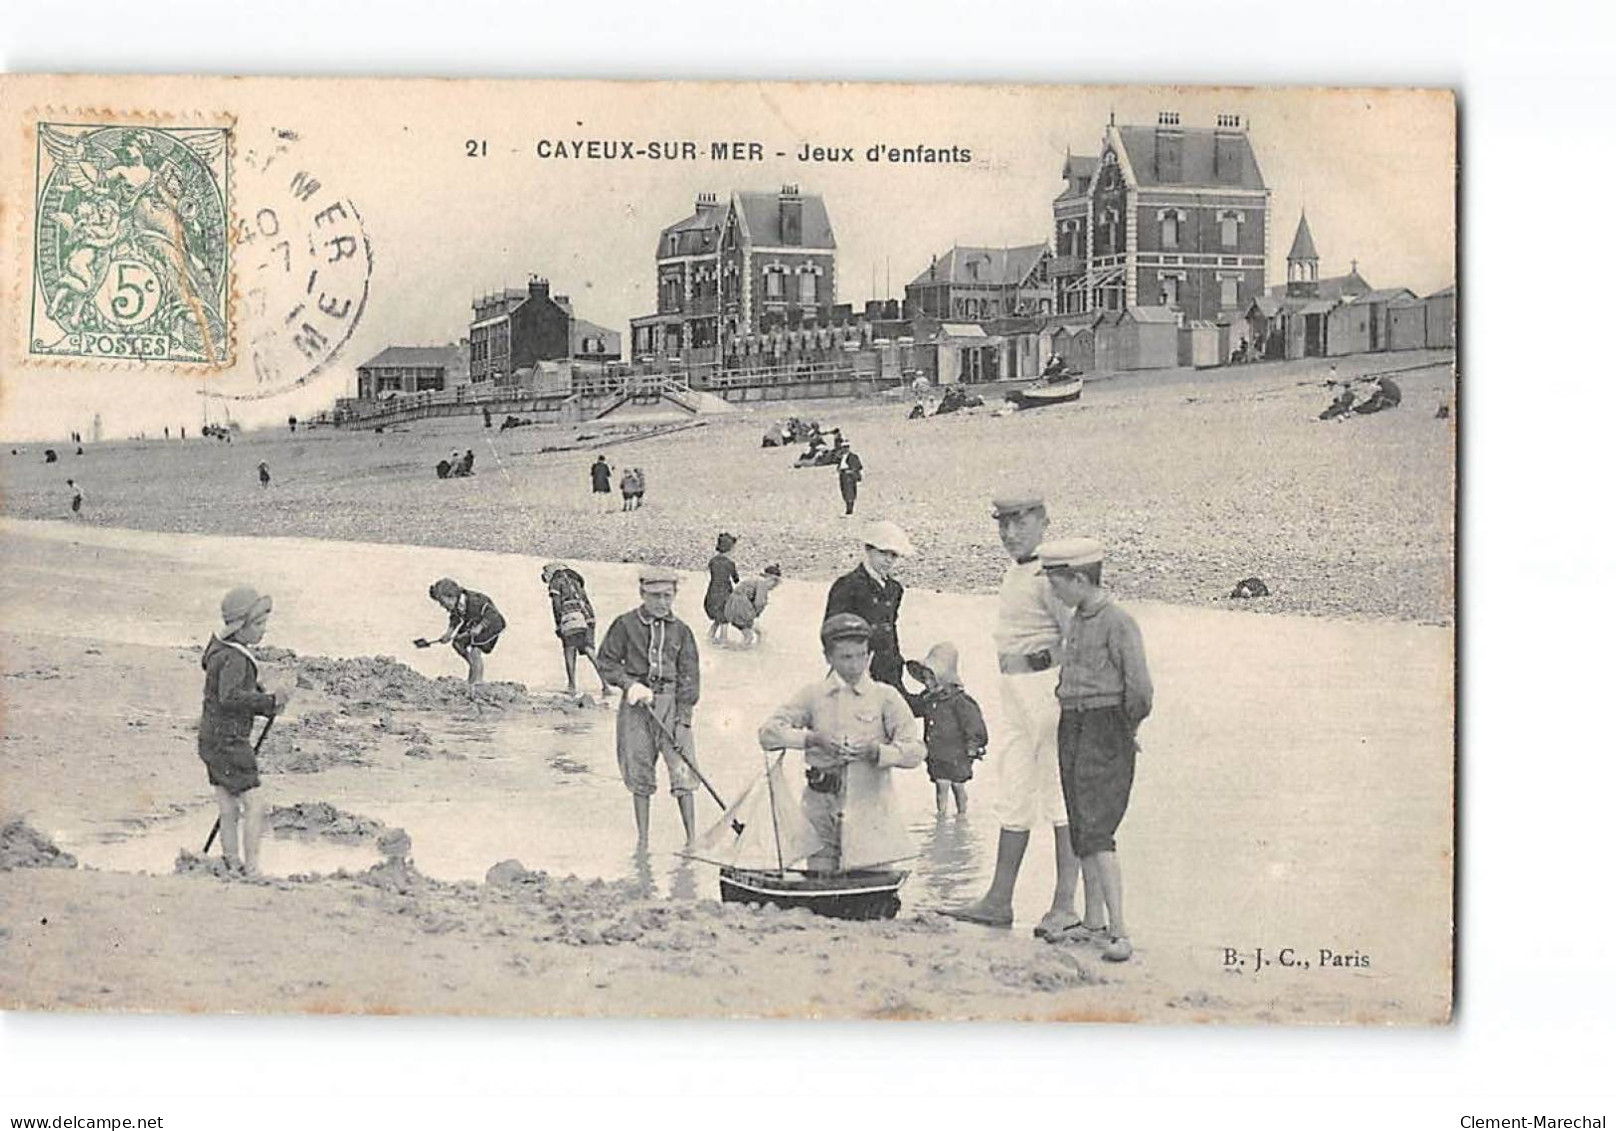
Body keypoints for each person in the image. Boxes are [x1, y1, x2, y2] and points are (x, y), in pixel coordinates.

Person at [942, 491, 1083, 938]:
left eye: (1020, 522)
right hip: (1016, 693)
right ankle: (999, 899)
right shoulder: (1016, 572)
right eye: (1002, 523)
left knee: (1061, 797)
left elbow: (1076, 639)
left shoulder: (1051, 575)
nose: (1009, 532)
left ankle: (1065, 905)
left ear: (1044, 521)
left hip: (1049, 689)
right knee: (1015, 791)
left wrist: (1071, 700)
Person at [1039, 538, 1153, 962]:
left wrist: (1124, 731)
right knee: (1080, 822)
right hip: (1074, 723)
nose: (1054, 593)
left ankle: (1119, 930)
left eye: (1058, 584)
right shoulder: (1080, 619)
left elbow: (1140, 691)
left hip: (1105, 726)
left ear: (1080, 579)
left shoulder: (1118, 622)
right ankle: (1091, 922)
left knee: (1099, 826)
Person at [758, 614, 924, 873]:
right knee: (819, 888)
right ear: (828, 657)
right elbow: (767, 735)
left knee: (872, 889)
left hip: (870, 810)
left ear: (870, 655)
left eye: (862, 655)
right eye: (846, 657)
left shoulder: (886, 697)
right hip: (819, 806)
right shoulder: (812, 695)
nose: (855, 665)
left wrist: (878, 753)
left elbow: (916, 752)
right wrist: (811, 739)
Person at [597, 566, 703, 851]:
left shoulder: (683, 631)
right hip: (636, 706)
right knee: (639, 770)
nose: (661, 602)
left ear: (675, 595)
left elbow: (690, 677)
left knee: (683, 770)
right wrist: (628, 684)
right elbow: (606, 662)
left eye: (667, 596)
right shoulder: (624, 624)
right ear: (642, 593)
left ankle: (692, 840)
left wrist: (683, 719)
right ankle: (643, 841)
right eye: (654, 596)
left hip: (671, 705)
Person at [198, 585, 289, 877]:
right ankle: (251, 867)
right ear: (240, 626)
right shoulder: (237, 658)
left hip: (211, 739)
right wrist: (270, 702)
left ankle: (231, 861)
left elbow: (226, 689)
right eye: (259, 624)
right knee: (254, 804)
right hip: (230, 742)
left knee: (227, 807)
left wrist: (260, 694)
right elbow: (231, 696)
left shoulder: (220, 650)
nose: (264, 630)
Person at [824, 520, 915, 698]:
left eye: (894, 555)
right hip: (855, 667)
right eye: (883, 553)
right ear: (868, 550)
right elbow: (831, 631)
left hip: (887, 667)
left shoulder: (894, 589)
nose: (888, 560)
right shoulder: (848, 585)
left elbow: (890, 627)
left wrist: (896, 662)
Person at [906, 642, 988, 816]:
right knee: (941, 784)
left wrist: (973, 745)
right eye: (925, 678)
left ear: (944, 677)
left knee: (958, 784)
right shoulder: (928, 699)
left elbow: (973, 725)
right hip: (936, 752)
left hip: (957, 753)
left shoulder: (960, 701)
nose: (927, 682)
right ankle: (941, 814)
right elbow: (912, 709)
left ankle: (961, 814)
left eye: (931, 677)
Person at [541, 562, 611, 704]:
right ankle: (606, 684)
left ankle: (572, 686)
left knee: (569, 649)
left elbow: (556, 604)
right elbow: (585, 600)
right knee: (590, 650)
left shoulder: (556, 581)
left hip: (570, 617)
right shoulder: (576, 580)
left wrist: (559, 624)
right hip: (588, 617)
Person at [426, 578, 505, 686]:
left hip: (491, 624)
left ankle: (477, 682)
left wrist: (480, 627)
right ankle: (473, 666)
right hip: (473, 622)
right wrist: (448, 633)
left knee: (475, 651)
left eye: (443, 602)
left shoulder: (474, 601)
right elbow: (455, 618)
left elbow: (492, 614)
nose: (442, 606)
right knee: (458, 643)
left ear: (451, 596)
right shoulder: (457, 604)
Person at [723, 564, 782, 648]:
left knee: (758, 632)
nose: (773, 588)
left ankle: (735, 649)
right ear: (771, 579)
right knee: (750, 637)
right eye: (774, 585)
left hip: (731, 607)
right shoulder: (762, 584)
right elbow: (759, 603)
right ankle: (747, 653)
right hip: (741, 608)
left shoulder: (753, 580)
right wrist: (756, 613)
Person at [703, 532, 741, 642]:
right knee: (724, 618)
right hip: (725, 591)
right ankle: (723, 639)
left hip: (712, 590)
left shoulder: (712, 561)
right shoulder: (730, 563)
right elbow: (736, 579)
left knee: (717, 617)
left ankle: (709, 637)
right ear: (730, 549)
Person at [838, 448, 863, 516]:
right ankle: (848, 508)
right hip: (843, 475)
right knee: (845, 491)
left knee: (850, 491)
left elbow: (857, 467)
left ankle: (850, 509)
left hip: (849, 475)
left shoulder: (853, 456)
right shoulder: (841, 456)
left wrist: (851, 472)